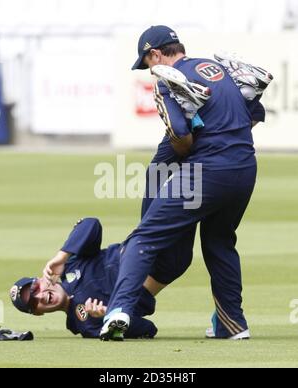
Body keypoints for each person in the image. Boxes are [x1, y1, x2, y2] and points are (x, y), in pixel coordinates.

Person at [100, 25, 270, 341]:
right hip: (245, 167)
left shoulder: (167, 80)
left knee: (143, 237)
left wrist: (191, 125)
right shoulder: (216, 68)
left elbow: (180, 136)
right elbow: (254, 115)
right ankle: (232, 325)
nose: (150, 71)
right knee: (219, 242)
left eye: (147, 64)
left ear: (155, 54)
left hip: (207, 171)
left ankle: (118, 311)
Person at [10, 217, 195, 340]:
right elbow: (148, 329)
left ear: (41, 279)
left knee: (162, 180)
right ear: (38, 313)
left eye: (34, 289)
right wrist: (110, 315)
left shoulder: (71, 265)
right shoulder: (87, 324)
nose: (40, 296)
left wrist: (62, 256)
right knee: (196, 204)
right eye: (33, 303)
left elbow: (91, 224)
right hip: (164, 263)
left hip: (143, 238)